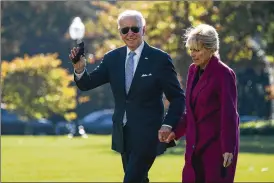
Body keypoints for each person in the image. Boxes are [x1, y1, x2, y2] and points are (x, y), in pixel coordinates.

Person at [69, 10, 185, 183]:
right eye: (125, 30)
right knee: (139, 179)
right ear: (120, 33)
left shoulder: (159, 59)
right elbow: (87, 84)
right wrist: (79, 69)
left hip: (149, 134)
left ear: (143, 29)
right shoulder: (112, 58)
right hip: (123, 134)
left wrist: (168, 124)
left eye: (134, 29)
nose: (130, 33)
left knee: (131, 179)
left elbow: (177, 97)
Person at [160, 24, 239, 183]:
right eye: (191, 49)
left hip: (216, 147)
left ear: (211, 49)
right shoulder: (192, 70)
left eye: (197, 50)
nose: (193, 54)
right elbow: (190, 110)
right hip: (194, 145)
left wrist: (228, 149)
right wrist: (176, 131)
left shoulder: (224, 74)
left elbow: (229, 114)